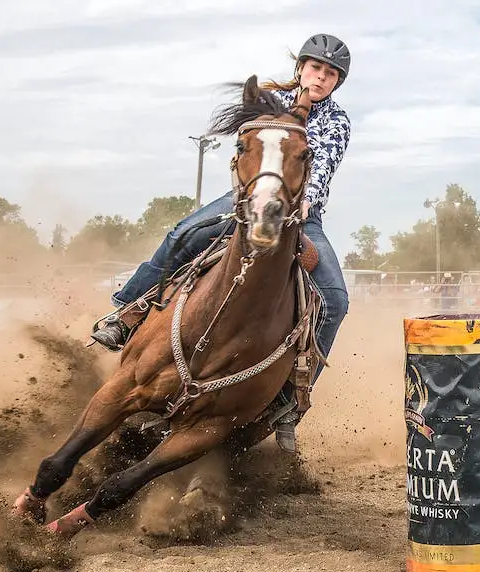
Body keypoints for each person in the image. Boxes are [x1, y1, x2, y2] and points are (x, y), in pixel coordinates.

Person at [89, 33, 353, 453]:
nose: (321, 77)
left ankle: (289, 400)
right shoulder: (271, 104)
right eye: (316, 68)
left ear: (337, 82)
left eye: (331, 74)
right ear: (301, 67)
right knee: (184, 234)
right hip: (247, 200)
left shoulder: (336, 120)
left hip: (301, 212)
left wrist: (305, 202)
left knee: (335, 300)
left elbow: (323, 165)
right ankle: (127, 312)